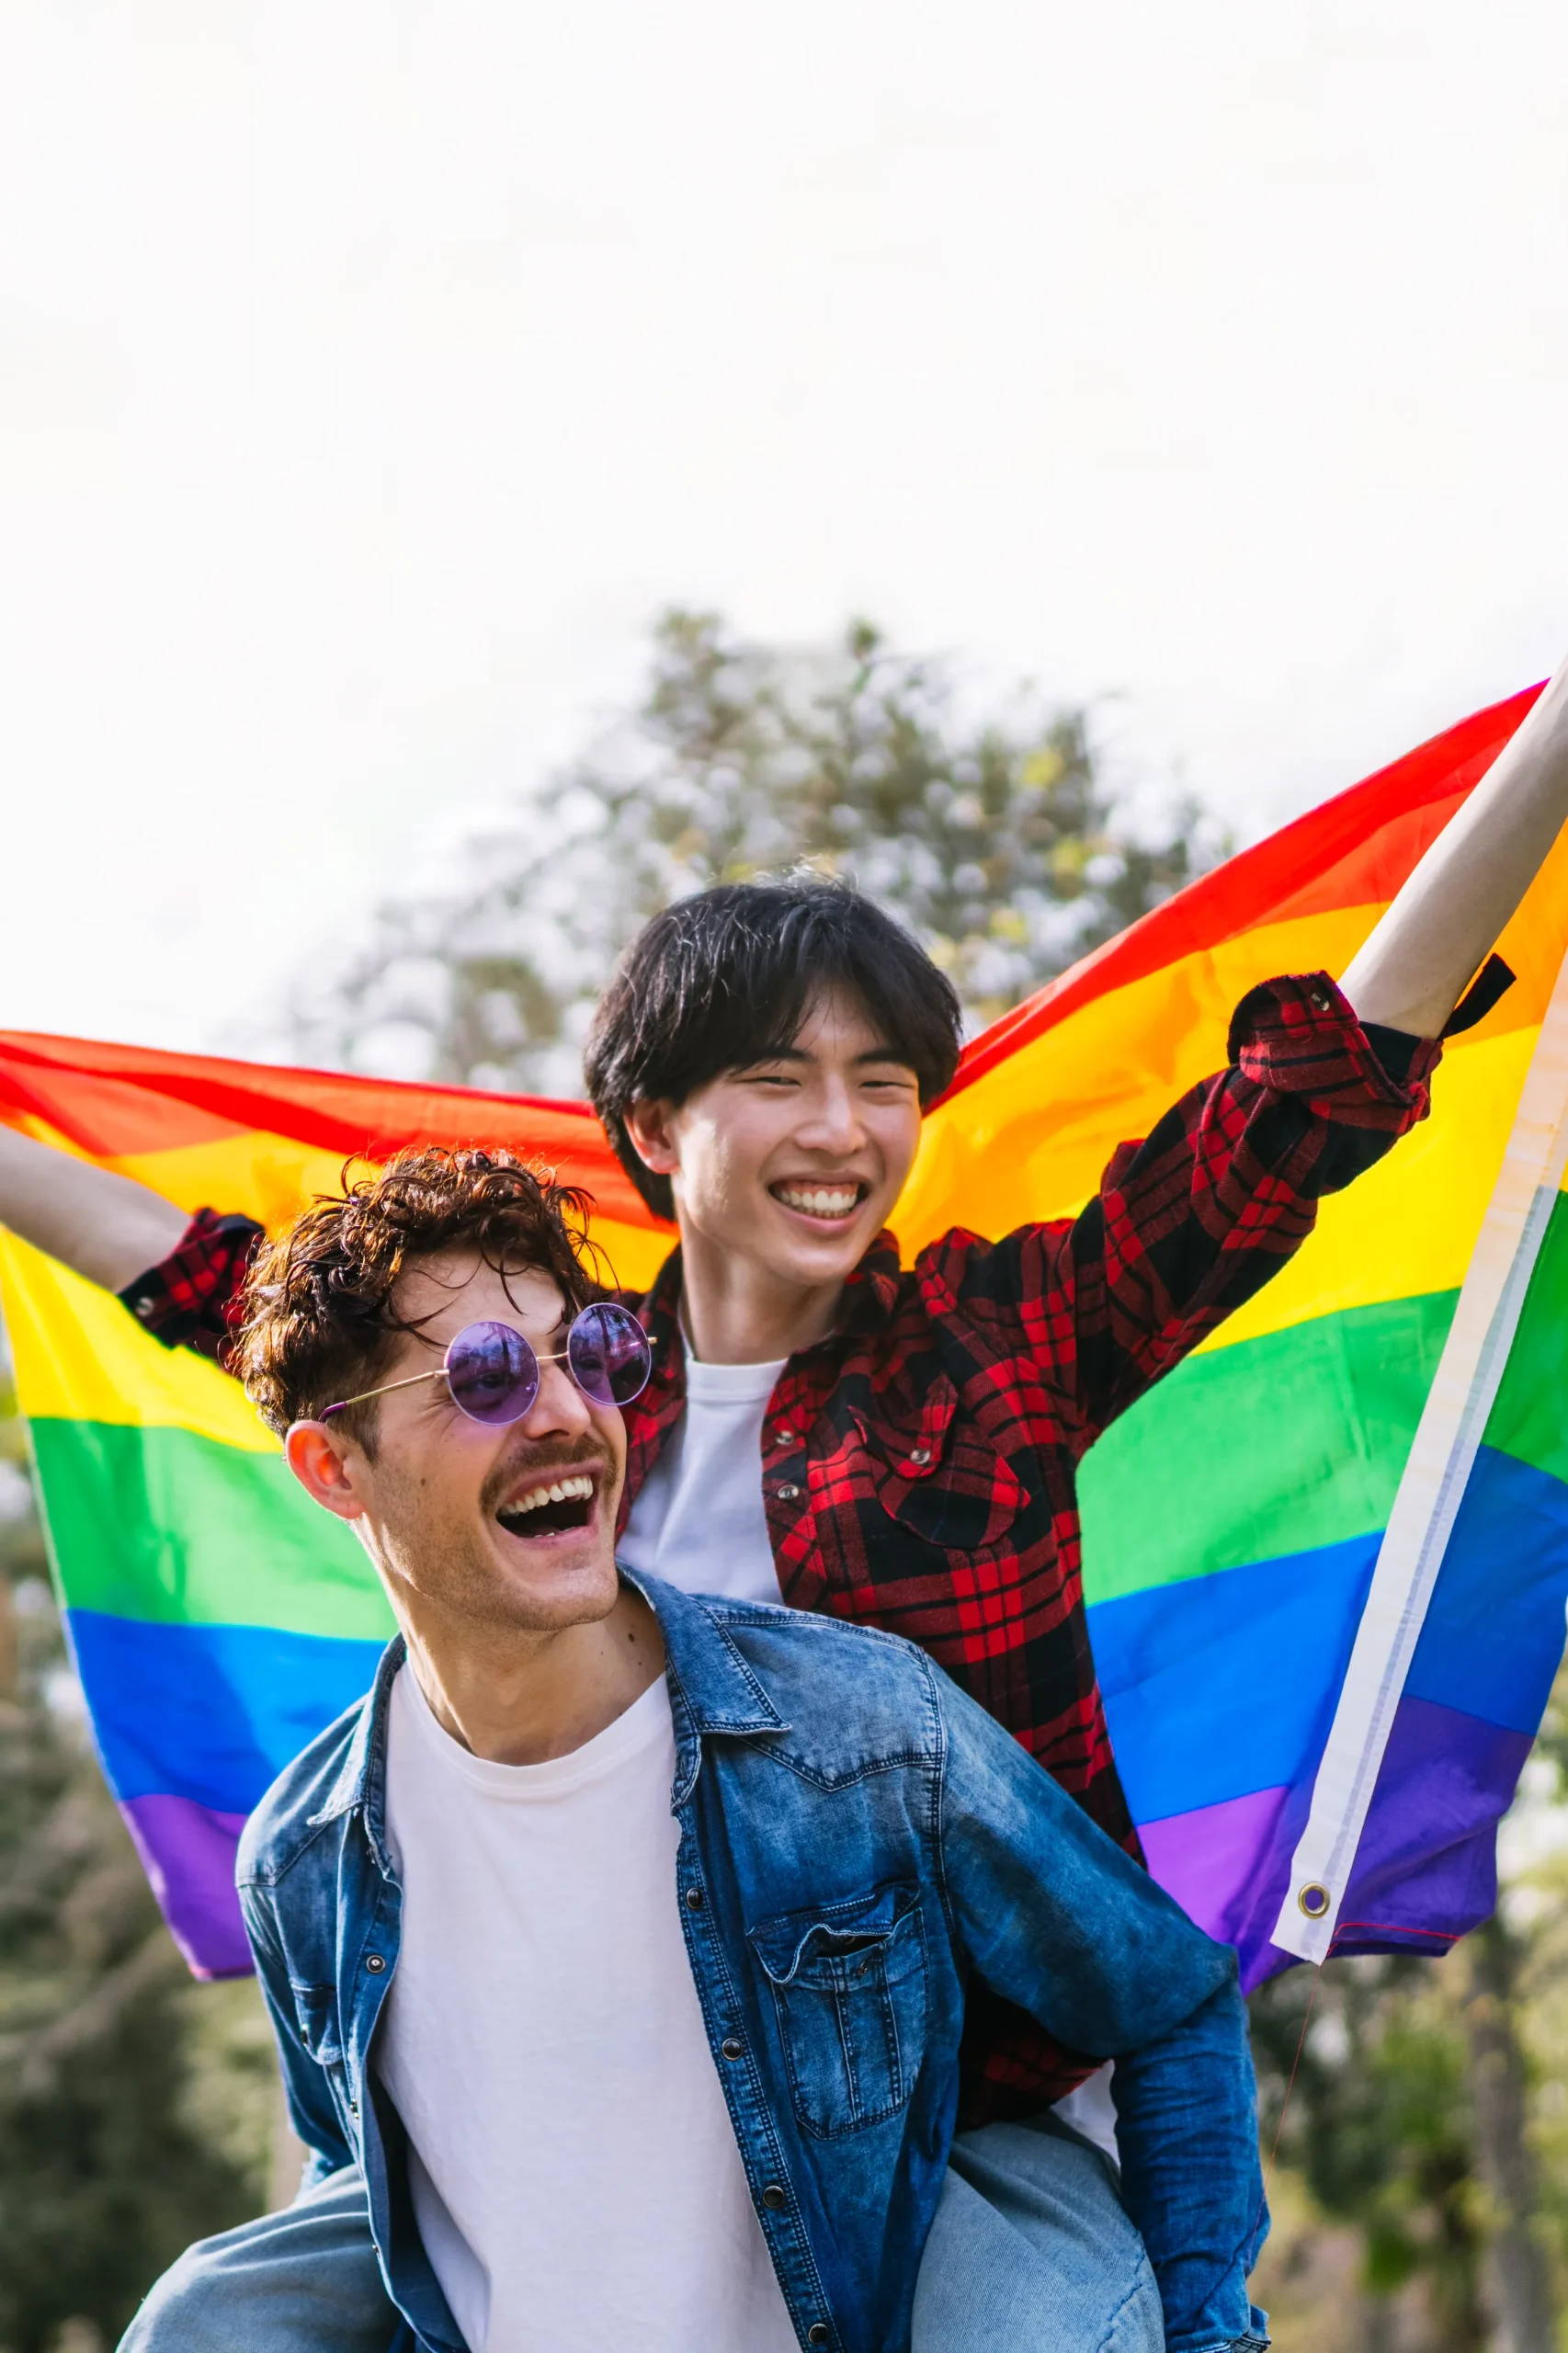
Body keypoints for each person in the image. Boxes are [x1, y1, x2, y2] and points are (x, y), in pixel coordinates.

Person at [0, 649, 1561, 2341]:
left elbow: (1297, 1103)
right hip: (618, 2109)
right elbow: (234, 1292)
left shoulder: (1003, 1338)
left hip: (958, 2111)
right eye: (778, 1079)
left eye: (883, 1082)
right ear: (654, 1124)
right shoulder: (562, 1374)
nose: (842, 1130)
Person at [127, 1148, 1270, 2353]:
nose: (570, 1414)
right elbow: (356, 2177)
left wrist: (1205, 2335)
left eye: (591, 1356)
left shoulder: (860, 1736)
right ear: (332, 1468)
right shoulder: (303, 1865)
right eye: (486, 1378)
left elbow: (1165, 2000)